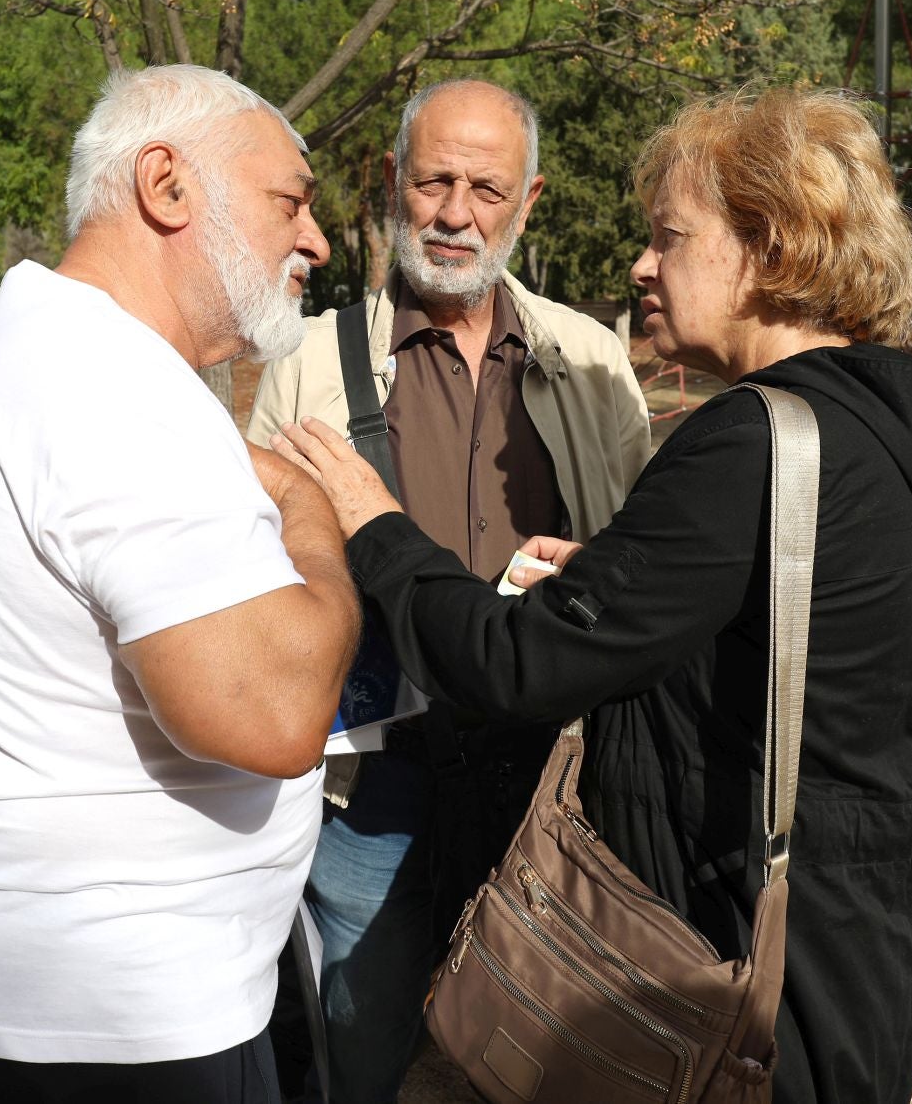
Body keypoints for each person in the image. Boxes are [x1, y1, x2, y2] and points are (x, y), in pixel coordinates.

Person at [272, 87, 912, 1103]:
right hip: (840, 952)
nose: (641, 264)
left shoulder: (753, 437)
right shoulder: (871, 417)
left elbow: (515, 665)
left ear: (771, 246)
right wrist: (615, 585)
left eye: (670, 236)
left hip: (738, 974)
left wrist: (373, 518)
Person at [0, 65, 361, 1103]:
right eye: (291, 198)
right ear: (166, 186)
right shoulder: (116, 389)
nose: (316, 239)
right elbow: (273, 710)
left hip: (9, 978)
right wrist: (319, 517)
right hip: (124, 1020)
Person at [244, 78, 650, 1103]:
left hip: (551, 790)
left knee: (538, 1053)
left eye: (486, 187)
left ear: (532, 199)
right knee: (362, 1039)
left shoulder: (593, 363)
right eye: (433, 180)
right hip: (374, 794)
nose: (456, 213)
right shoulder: (303, 362)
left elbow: (644, 570)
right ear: (391, 181)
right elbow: (248, 577)